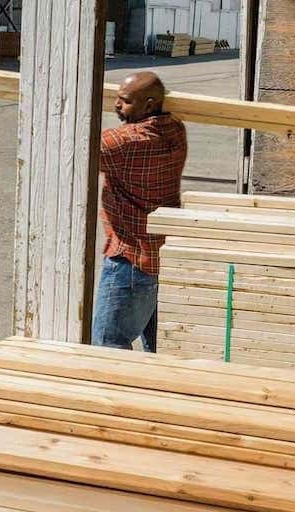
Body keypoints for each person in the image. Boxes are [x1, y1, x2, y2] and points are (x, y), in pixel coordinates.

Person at [91, 71, 188, 353]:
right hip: (161, 257)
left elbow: (74, 145)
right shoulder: (176, 130)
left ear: (148, 104)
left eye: (125, 101)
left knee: (110, 344)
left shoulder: (124, 143)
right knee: (160, 348)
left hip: (129, 261)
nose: (117, 106)